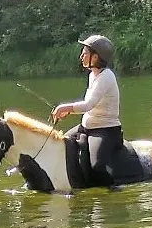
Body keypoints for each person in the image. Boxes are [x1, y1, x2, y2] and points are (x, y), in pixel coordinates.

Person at [52, 35, 122, 187]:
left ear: (96, 57)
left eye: (85, 53)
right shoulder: (92, 75)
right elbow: (89, 105)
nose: (81, 56)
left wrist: (65, 108)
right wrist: (69, 111)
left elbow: (88, 104)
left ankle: (114, 189)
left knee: (97, 166)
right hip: (86, 128)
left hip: (105, 130)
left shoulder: (107, 77)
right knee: (60, 143)